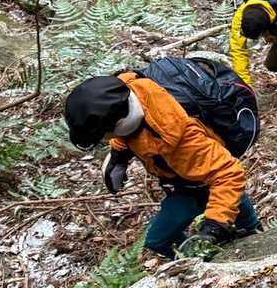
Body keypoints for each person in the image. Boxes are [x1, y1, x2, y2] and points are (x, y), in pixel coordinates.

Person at [64, 70, 261, 259]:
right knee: (157, 240)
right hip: (181, 184)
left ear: (119, 124)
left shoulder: (184, 138)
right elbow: (129, 132)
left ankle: (214, 254)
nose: (105, 139)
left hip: (201, 188)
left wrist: (214, 225)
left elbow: (228, 173)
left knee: (250, 231)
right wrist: (119, 154)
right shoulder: (131, 90)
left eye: (105, 135)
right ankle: (201, 257)